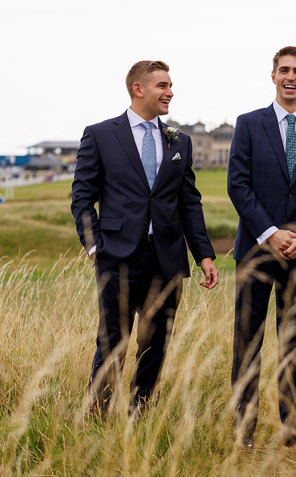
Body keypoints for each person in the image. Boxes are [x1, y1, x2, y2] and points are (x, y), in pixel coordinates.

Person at [71, 60, 218, 416]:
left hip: (166, 258)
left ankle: (140, 412)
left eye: (170, 86)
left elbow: (189, 202)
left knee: (155, 342)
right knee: (112, 341)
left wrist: (204, 255)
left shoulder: (179, 140)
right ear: (139, 89)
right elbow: (82, 198)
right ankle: (97, 416)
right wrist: (94, 248)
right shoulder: (101, 134)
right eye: (163, 86)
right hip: (117, 256)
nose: (170, 92)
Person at [227, 46, 296, 448]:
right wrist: (271, 233)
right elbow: (238, 185)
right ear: (273, 76)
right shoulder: (248, 124)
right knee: (248, 340)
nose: (291, 77)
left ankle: (294, 428)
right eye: (284, 70)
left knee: (294, 340)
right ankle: (244, 430)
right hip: (257, 250)